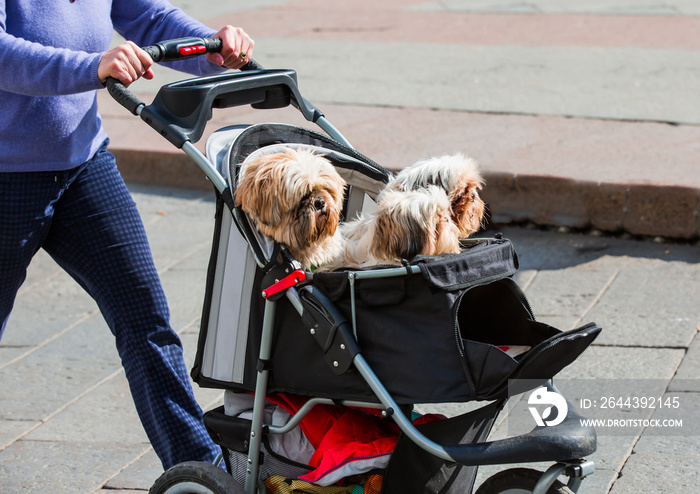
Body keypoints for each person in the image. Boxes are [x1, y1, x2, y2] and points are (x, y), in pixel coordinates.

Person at [0, 0, 254, 470]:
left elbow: (151, 17)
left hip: (83, 167)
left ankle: (197, 472)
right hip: (6, 177)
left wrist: (211, 46)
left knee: (146, 321)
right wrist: (91, 67)